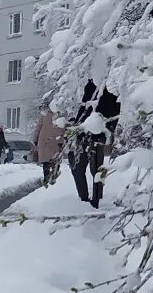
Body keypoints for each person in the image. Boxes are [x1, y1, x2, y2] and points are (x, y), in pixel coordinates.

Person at [68, 80, 120, 208]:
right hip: (82, 133)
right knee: (77, 166)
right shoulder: (91, 84)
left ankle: (96, 200)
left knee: (96, 169)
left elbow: (116, 111)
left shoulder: (110, 86)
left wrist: (108, 129)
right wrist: (77, 125)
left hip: (98, 135)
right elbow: (84, 107)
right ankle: (83, 198)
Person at [31, 103, 64, 186]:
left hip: (44, 142)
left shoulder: (44, 115)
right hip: (57, 142)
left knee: (46, 163)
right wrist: (63, 141)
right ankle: (54, 180)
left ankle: (46, 181)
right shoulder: (60, 116)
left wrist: (35, 140)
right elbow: (64, 129)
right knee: (55, 162)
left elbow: (38, 128)